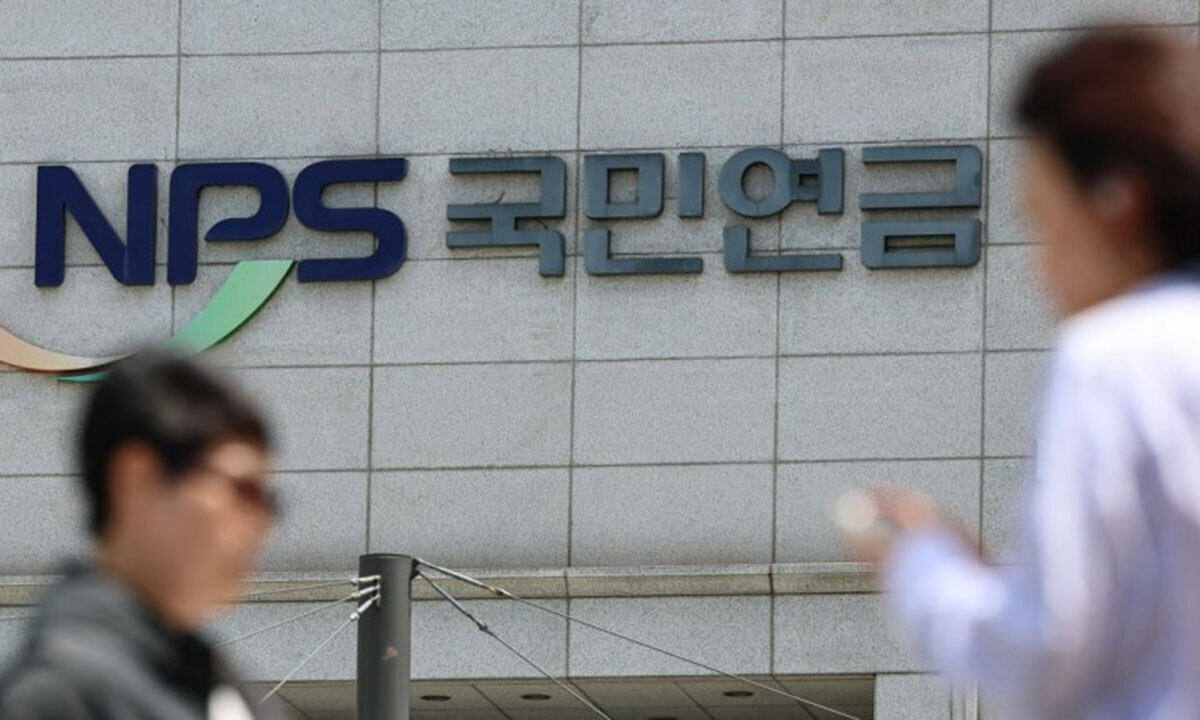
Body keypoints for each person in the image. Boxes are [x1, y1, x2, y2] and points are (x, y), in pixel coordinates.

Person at [852, 28, 1200, 719]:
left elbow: (1047, 648)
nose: (1037, 267)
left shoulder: (1115, 358)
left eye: (1045, 223)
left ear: (1117, 203)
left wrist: (921, 566)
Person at [0, 351, 280, 719]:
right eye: (244, 491)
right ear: (138, 479)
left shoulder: (215, 683)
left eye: (270, 502)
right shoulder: (58, 696)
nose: (263, 524)